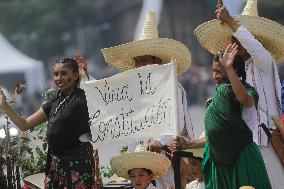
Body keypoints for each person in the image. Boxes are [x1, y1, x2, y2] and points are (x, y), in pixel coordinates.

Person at [194, 0, 284, 188]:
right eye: (233, 39)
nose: (235, 43)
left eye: (240, 37)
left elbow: (246, 98)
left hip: (265, 142)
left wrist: (229, 20)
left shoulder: (263, 62)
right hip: (239, 149)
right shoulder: (231, 76)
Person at [101, 11, 194, 189]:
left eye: (144, 60)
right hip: (139, 159)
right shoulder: (135, 91)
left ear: (156, 62)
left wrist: (161, 141)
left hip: (165, 157)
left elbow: (178, 120)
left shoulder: (171, 86)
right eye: (138, 61)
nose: (140, 65)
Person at [172, 43, 272, 189]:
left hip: (241, 159)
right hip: (218, 164)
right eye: (213, 71)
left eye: (219, 71)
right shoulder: (215, 101)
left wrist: (229, 68)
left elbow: (244, 99)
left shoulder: (248, 91)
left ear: (234, 70)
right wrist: (188, 144)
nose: (214, 76)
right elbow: (215, 136)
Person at [0, 58, 95, 188]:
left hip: (79, 167)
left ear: (75, 75)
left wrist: (86, 76)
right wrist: (4, 105)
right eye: (56, 74)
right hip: (56, 167)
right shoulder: (54, 102)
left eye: (63, 73)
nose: (58, 78)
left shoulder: (82, 97)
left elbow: (98, 93)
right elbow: (25, 125)